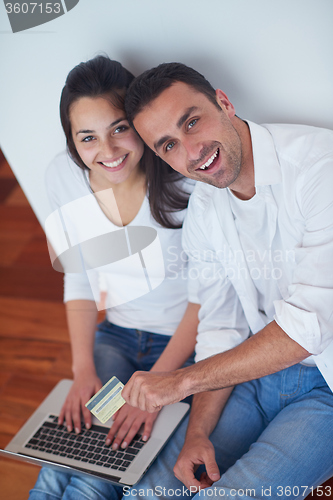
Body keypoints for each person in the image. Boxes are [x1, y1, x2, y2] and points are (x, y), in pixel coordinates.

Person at [119, 62, 333, 499]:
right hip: (252, 374)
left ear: (224, 102)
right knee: (149, 491)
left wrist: (180, 381)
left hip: (327, 388)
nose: (192, 152)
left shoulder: (319, 167)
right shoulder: (203, 211)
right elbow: (221, 325)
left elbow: (312, 327)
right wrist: (197, 431)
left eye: (192, 122)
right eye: (170, 145)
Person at [28, 57, 200, 500]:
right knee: (61, 460)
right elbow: (79, 279)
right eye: (87, 137)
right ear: (72, 142)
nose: (107, 150)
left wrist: (159, 385)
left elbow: (209, 299)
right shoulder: (62, 178)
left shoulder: (185, 185)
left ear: (139, 124)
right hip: (117, 338)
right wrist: (81, 369)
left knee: (95, 474)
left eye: (119, 128)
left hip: (181, 349)